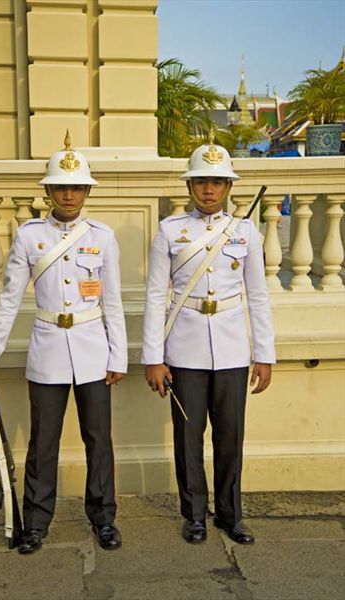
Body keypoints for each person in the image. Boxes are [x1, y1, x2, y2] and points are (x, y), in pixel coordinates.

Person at [0, 131, 127, 553]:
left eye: (77, 187)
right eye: (61, 186)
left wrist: (119, 356)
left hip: (94, 349)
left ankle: (103, 518)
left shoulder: (102, 236)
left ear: (87, 191)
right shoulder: (29, 237)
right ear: (48, 189)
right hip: (47, 348)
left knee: (99, 439)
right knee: (43, 442)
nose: (69, 194)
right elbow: (9, 299)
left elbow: (111, 303)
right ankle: (37, 522)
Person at [141, 135, 275, 545]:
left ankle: (231, 515)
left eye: (217, 181)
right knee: (188, 436)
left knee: (230, 435)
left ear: (229, 186)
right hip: (184, 349)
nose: (209, 188)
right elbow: (154, 295)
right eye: (201, 180)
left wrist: (264, 354)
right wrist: (153, 357)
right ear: (189, 186)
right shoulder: (170, 230)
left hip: (233, 349)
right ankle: (195, 514)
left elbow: (257, 295)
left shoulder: (245, 232)